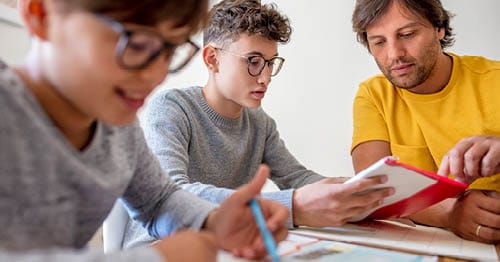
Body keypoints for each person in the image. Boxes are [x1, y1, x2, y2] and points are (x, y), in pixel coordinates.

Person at [0, 0, 290, 261]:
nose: (156, 74)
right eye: (137, 44)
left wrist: (214, 221)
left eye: (171, 50)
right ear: (42, 14)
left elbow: (159, 200)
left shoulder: (117, 124)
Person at [122, 0, 394, 248]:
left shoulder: (260, 123)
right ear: (212, 59)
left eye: (270, 63)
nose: (265, 77)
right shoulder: (172, 108)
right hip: (160, 245)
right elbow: (175, 192)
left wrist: (352, 192)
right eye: (253, 62)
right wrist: (293, 205)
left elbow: (296, 177)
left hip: (228, 244)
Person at [351, 0, 500, 244]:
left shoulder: (495, 80)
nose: (394, 54)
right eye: (379, 42)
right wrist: (451, 214)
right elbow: (371, 189)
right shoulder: (373, 95)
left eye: (407, 34)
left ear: (439, 28)